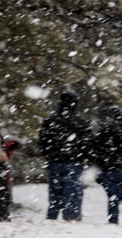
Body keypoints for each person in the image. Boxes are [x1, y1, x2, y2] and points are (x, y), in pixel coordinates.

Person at [38, 91, 91, 221]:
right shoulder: (81, 122)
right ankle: (71, 217)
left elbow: (43, 141)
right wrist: (84, 156)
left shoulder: (50, 121)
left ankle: (53, 216)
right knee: (72, 192)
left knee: (55, 191)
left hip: (55, 161)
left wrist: (49, 154)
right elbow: (88, 142)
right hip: (74, 161)